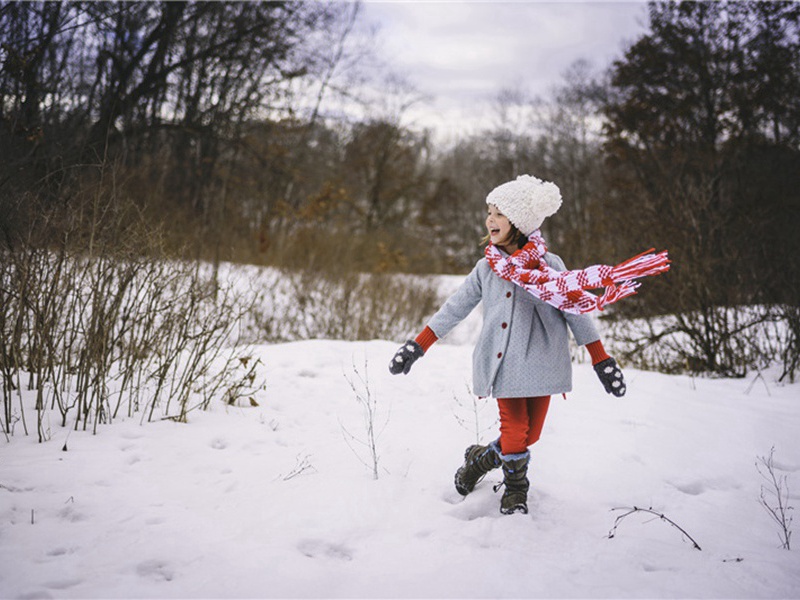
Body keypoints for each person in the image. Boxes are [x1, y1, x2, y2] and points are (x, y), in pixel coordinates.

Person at [388, 175, 669, 515]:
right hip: (503, 362)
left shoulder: (551, 269)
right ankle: (516, 490)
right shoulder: (486, 269)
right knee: (516, 430)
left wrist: (601, 360)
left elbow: (575, 311)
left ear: (519, 223)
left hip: (542, 364)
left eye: (499, 214)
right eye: (489, 212)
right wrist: (417, 346)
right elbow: (455, 307)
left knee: (527, 437)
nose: (490, 220)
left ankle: (479, 460)